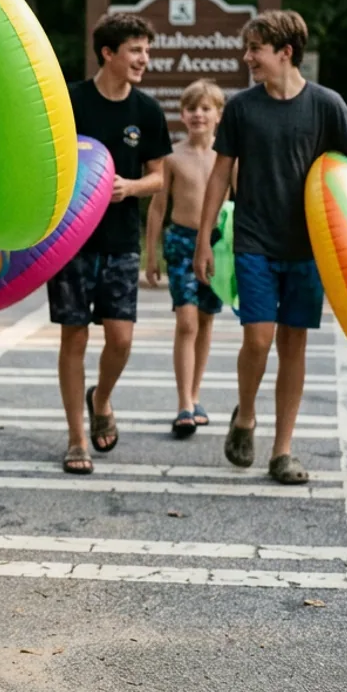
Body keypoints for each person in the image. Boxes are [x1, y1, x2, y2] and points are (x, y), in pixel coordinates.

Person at [194, 10, 347, 485]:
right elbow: (219, 175)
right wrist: (204, 239)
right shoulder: (241, 108)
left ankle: (282, 451)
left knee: (293, 344)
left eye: (255, 49)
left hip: (310, 246)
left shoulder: (326, 104)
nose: (247, 57)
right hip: (254, 238)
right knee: (258, 337)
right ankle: (246, 417)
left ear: (285, 52)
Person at [48, 12, 171, 476]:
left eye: (146, 50)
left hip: (121, 241)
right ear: (108, 53)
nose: (144, 59)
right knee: (73, 336)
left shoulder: (148, 111)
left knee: (121, 338)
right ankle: (77, 436)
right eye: (136, 50)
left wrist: (129, 188)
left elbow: (160, 176)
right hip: (69, 242)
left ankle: (101, 399)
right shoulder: (71, 102)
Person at [145, 78, 226, 439]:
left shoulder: (225, 160)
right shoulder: (172, 157)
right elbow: (157, 207)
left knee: (206, 321)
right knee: (187, 322)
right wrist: (152, 253)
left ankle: (195, 396)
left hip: (218, 244)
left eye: (205, 108)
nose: (198, 115)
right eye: (192, 108)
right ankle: (183, 404)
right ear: (183, 114)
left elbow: (242, 203)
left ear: (218, 115)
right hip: (180, 242)